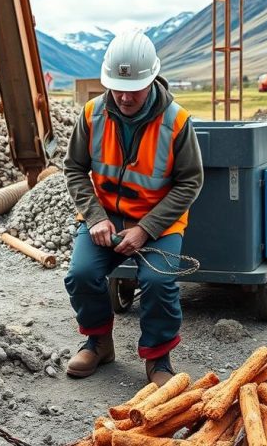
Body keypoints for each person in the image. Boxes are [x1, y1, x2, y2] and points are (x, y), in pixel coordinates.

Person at [62, 30, 204, 387]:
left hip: (158, 224)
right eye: (116, 87)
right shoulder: (92, 114)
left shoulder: (177, 121)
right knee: (81, 274)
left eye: (134, 88)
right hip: (105, 218)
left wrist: (146, 229)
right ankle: (98, 343)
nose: (124, 97)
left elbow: (190, 182)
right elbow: (75, 168)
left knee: (158, 282)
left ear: (152, 79)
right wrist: (95, 218)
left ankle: (158, 359)